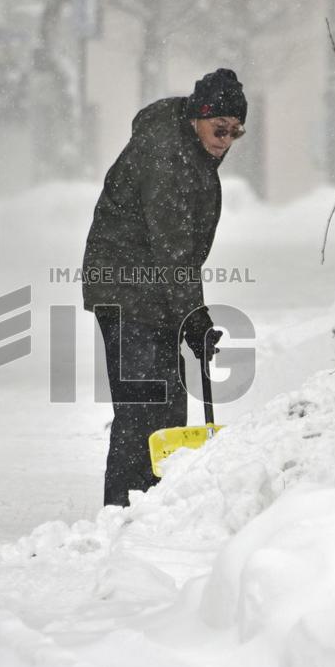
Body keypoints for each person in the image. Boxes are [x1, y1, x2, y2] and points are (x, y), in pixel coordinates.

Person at [82, 68, 248, 508]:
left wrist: (189, 316)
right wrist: (195, 317)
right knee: (141, 406)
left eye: (235, 132)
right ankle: (122, 508)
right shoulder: (168, 157)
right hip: (126, 287)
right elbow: (173, 250)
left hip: (152, 289)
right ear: (198, 116)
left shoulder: (189, 146)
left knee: (170, 407)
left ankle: (156, 501)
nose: (226, 139)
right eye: (220, 128)